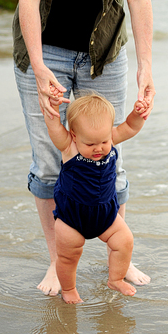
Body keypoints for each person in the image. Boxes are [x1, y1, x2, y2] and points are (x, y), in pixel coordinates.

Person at [12, 0, 156, 297]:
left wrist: (146, 68)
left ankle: (120, 254)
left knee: (108, 155)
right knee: (51, 163)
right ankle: (59, 260)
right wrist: (38, 64)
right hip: (45, 50)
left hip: (104, 54)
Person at [41, 92, 146, 304]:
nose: (98, 148)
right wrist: (51, 108)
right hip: (72, 217)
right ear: (74, 135)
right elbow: (53, 127)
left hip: (105, 214)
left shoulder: (110, 138)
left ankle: (115, 279)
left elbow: (131, 127)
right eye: (90, 144)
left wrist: (137, 114)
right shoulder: (68, 146)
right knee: (68, 257)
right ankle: (69, 289)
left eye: (104, 141)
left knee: (125, 241)